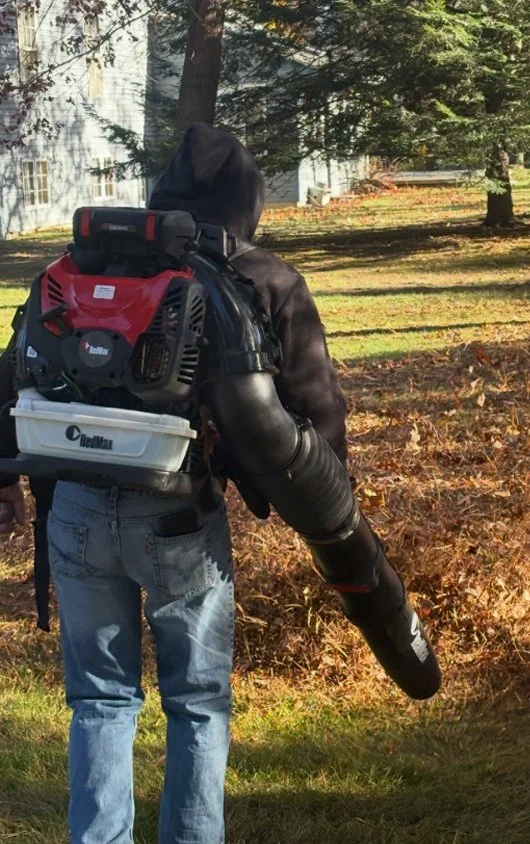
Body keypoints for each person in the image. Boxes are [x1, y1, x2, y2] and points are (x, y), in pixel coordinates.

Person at [0, 123, 350, 844]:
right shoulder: (265, 278)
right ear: (247, 200)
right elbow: (316, 409)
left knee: (98, 699)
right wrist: (330, 509)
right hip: (179, 518)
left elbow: (16, 375)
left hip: (74, 509)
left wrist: (7, 483)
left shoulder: (80, 262)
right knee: (195, 703)